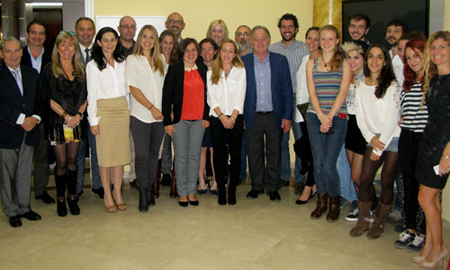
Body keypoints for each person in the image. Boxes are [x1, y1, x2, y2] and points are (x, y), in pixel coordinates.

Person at [350, 44, 401, 239]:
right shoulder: (360, 85)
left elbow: (392, 119)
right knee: (364, 180)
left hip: (392, 137)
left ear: (385, 62)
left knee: (387, 180)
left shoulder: (392, 86)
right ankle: (363, 219)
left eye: (379, 57)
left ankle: (379, 221)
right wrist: (371, 138)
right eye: (371, 57)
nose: (374, 61)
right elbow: (360, 117)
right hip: (373, 137)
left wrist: (379, 147)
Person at [305, 25, 351, 221]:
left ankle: (334, 202)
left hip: (337, 118)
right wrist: (321, 116)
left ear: (337, 41)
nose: (326, 42)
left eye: (330, 39)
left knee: (329, 165)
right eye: (323, 39)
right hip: (315, 117)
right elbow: (312, 93)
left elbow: (342, 93)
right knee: (318, 163)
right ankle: (321, 202)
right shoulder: (311, 64)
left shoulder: (345, 63)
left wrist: (329, 117)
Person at [242, 26, 293, 202]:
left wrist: (287, 116)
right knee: (254, 152)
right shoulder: (243, 62)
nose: (260, 42)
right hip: (252, 115)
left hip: (275, 115)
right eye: (256, 39)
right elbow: (239, 92)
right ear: (251, 42)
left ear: (269, 40)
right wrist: (241, 116)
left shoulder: (280, 60)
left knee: (274, 152)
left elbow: (287, 89)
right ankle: (256, 186)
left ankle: (272, 186)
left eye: (263, 38)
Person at [41, 31, 87, 217]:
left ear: (75, 48)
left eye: (70, 45)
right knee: (60, 162)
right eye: (63, 45)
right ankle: (60, 198)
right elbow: (48, 99)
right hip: (59, 122)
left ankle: (72, 197)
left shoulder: (80, 70)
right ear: (57, 48)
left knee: (73, 161)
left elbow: (87, 96)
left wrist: (78, 115)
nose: (67, 49)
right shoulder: (50, 69)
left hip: (76, 122)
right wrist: (67, 116)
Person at [414, 31, 450, 268]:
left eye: (442, 47)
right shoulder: (435, 78)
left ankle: (439, 247)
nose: (436, 53)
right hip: (428, 142)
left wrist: (447, 153)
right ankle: (429, 244)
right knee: (432, 199)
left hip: (443, 147)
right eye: (433, 48)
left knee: (425, 198)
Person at [0, 37, 42, 228]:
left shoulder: (31, 73)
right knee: (7, 175)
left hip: (29, 130)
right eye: (8, 51)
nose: (13, 55)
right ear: (1, 54)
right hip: (7, 132)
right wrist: (20, 119)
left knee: (25, 172)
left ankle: (25, 207)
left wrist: (35, 118)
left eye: (17, 51)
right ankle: (11, 210)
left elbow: (40, 99)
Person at [87, 27, 130, 212]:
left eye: (113, 40)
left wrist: (127, 109)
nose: (110, 43)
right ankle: (107, 193)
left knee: (119, 156)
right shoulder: (93, 65)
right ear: (99, 42)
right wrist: (93, 121)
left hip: (122, 110)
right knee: (105, 157)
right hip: (104, 111)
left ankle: (118, 193)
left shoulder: (123, 62)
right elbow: (92, 94)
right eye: (105, 40)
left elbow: (127, 89)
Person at [162, 38, 210, 207]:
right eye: (187, 50)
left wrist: (206, 116)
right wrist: (167, 121)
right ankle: (182, 192)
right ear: (181, 53)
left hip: (198, 121)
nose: (191, 54)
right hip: (179, 121)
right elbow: (166, 97)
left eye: (194, 50)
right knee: (181, 157)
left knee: (194, 156)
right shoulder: (174, 69)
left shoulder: (203, 69)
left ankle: (192, 191)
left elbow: (208, 96)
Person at [126, 25, 166, 212]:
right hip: (141, 116)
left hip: (159, 118)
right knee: (141, 156)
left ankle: (150, 189)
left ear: (155, 41)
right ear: (140, 39)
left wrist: (166, 110)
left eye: (151, 37)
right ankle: (142, 192)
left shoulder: (161, 60)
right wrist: (151, 108)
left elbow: (164, 89)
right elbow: (133, 88)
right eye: (144, 36)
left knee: (153, 157)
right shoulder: (133, 60)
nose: (148, 40)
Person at [394, 38, 427, 252]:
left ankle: (423, 232)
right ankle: (410, 228)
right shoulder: (408, 81)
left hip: (426, 140)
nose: (413, 61)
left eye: (416, 55)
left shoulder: (434, 81)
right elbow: (404, 109)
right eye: (409, 58)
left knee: (425, 187)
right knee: (406, 183)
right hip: (407, 137)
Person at [269, 13, 308, 189]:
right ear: (280, 29)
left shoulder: (305, 48)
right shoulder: (272, 49)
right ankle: (284, 175)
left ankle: (299, 177)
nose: (287, 30)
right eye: (283, 26)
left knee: (300, 140)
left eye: (290, 26)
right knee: (281, 139)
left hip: (300, 100)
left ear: (296, 29)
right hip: (281, 101)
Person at [208, 39, 246, 205]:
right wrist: (222, 116)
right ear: (219, 52)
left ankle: (232, 190)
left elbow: (241, 95)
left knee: (236, 154)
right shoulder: (211, 72)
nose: (227, 54)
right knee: (219, 155)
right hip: (217, 118)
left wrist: (233, 118)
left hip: (235, 117)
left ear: (235, 54)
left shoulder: (240, 71)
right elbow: (211, 97)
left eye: (231, 51)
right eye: (224, 50)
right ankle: (221, 190)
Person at [21, 20, 54, 204]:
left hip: (43, 114)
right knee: (23, 158)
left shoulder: (50, 58)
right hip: (21, 118)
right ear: (27, 34)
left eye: (41, 33)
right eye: (34, 32)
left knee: (42, 155)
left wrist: (39, 114)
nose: (37, 36)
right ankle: (20, 192)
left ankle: (40, 190)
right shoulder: (18, 56)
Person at [74, 17, 104, 200]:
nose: (86, 32)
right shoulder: (69, 51)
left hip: (96, 109)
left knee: (97, 149)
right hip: (75, 110)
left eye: (89, 29)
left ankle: (98, 184)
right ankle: (76, 188)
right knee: (77, 151)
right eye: (82, 29)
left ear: (94, 32)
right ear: (76, 31)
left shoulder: (99, 52)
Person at [341, 41, 369, 221]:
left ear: (363, 59)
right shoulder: (346, 77)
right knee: (353, 172)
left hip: (363, 128)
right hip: (348, 126)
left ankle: (369, 206)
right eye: (348, 57)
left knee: (358, 175)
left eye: (356, 57)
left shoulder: (366, 79)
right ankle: (362, 206)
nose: (352, 61)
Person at [294, 26, 320, 204]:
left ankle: (309, 186)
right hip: (301, 110)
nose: (312, 42)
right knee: (306, 149)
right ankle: (314, 182)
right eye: (309, 38)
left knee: (311, 151)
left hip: (315, 111)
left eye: (316, 39)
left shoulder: (324, 61)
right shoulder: (304, 59)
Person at [158, 30, 178, 198]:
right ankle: (165, 173)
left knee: (176, 143)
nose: (167, 46)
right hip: (159, 108)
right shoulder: (154, 61)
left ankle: (176, 175)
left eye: (171, 43)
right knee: (163, 144)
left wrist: (173, 108)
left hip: (176, 108)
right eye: (165, 42)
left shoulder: (178, 63)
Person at [198, 38, 218, 195]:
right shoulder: (196, 68)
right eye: (203, 49)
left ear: (215, 51)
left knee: (215, 148)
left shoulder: (221, 67)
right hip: (199, 113)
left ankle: (216, 181)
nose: (207, 52)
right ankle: (201, 181)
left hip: (216, 113)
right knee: (201, 148)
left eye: (210, 49)